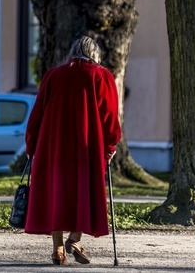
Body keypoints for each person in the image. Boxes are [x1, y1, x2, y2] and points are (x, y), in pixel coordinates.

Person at [24, 36, 122, 265]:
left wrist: (32, 145)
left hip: (52, 144)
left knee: (55, 192)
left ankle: (58, 250)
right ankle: (75, 240)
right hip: (86, 145)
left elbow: (37, 113)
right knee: (83, 191)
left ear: (72, 52)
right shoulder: (100, 75)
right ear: (95, 54)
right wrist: (110, 144)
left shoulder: (53, 75)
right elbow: (109, 115)